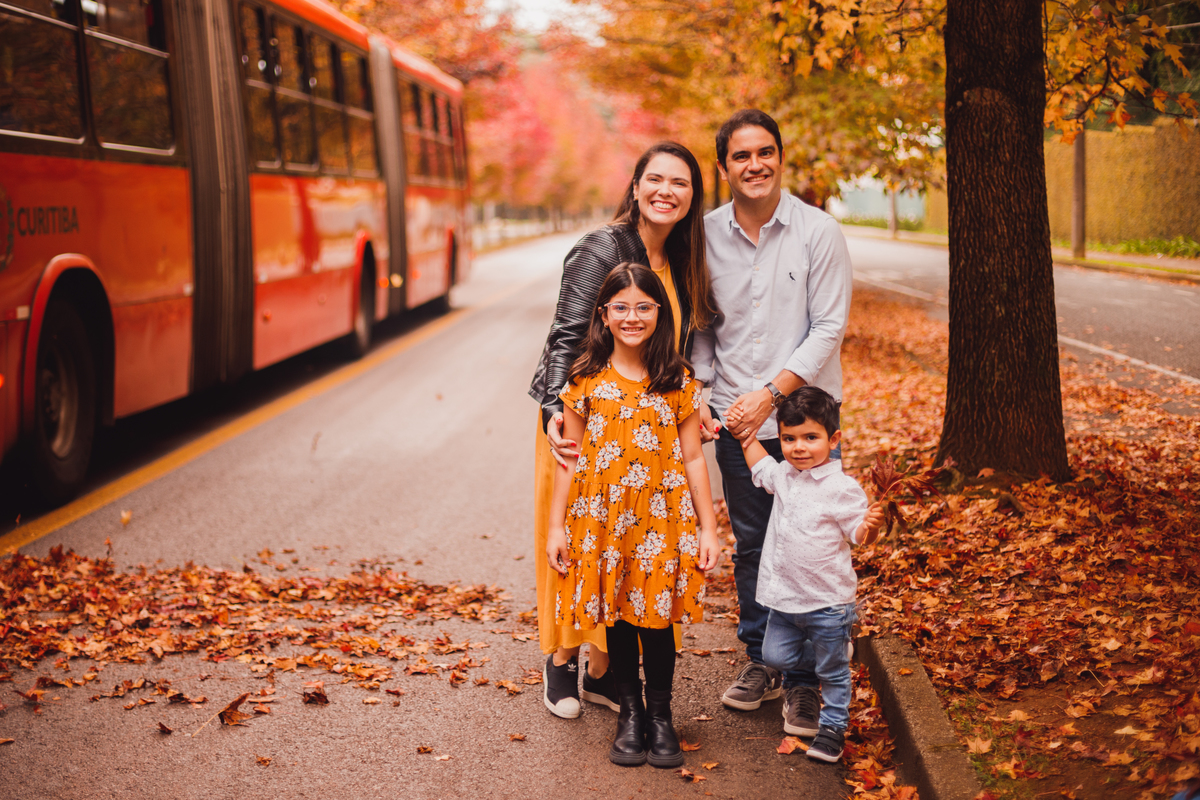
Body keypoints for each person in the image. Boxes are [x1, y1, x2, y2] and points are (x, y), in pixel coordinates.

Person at [528, 142, 717, 719]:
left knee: (630, 550)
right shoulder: (602, 247)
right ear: (634, 187)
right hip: (583, 421)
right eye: (654, 179)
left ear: (693, 196)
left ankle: (605, 673)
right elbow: (566, 333)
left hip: (647, 430)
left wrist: (691, 404)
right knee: (580, 544)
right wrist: (559, 414)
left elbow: (671, 347)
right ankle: (560, 663)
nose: (666, 191)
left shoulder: (679, 257)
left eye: (679, 183)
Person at [689, 109, 854, 727]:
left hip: (803, 420)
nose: (754, 165)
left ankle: (806, 679)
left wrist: (770, 393)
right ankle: (761, 659)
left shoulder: (818, 231)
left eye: (765, 153)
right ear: (724, 166)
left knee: (811, 546)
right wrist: (707, 396)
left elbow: (829, 327)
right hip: (736, 423)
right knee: (755, 547)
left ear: (780, 157)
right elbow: (704, 328)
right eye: (741, 156)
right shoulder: (703, 236)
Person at [545, 263, 721, 767]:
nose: (632, 316)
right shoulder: (585, 378)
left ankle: (661, 715)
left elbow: (692, 458)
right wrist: (557, 527)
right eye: (620, 307)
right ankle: (629, 712)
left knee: (657, 620)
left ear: (659, 313)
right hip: (602, 521)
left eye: (644, 307)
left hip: (662, 521)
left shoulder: (676, 378)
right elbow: (569, 458)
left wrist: (709, 528)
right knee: (619, 616)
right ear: (603, 314)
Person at [734, 386, 884, 763]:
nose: (799, 447)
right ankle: (828, 650)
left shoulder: (843, 490)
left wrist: (872, 525)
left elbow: (859, 536)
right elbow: (760, 465)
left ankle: (833, 729)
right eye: (789, 438)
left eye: (810, 438)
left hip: (827, 603)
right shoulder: (784, 475)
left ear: (833, 440)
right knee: (773, 656)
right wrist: (745, 436)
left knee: (832, 673)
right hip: (784, 600)